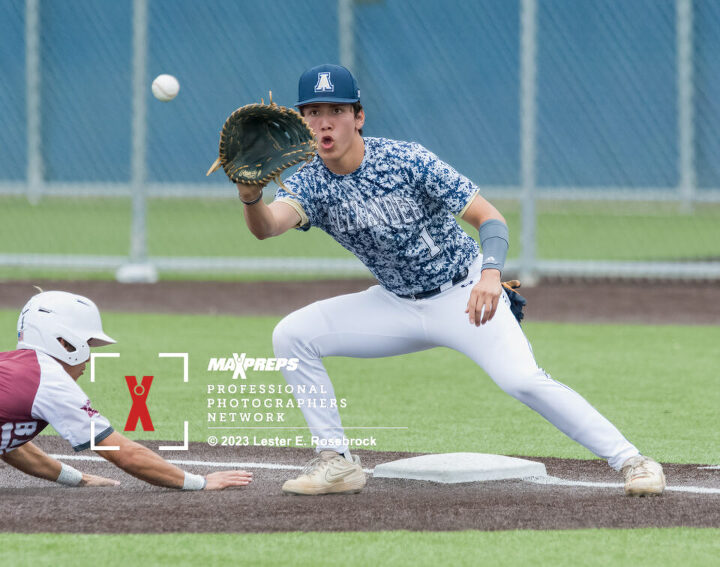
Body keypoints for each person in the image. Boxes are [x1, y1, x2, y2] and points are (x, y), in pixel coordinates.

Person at [233, 63, 665, 497]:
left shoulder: (407, 160)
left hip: (466, 294)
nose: (323, 121)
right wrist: (250, 195)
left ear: (358, 116)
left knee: (521, 379)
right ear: (300, 121)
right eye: (311, 112)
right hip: (396, 305)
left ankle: (633, 460)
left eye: (336, 109)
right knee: (292, 336)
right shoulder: (310, 182)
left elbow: (489, 218)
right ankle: (337, 462)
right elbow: (267, 226)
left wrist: (491, 274)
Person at [0, 290, 252, 491]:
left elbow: (10, 443)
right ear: (64, 343)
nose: (88, 359)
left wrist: (75, 478)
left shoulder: (4, 363)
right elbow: (121, 452)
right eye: (87, 345)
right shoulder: (49, 380)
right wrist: (199, 482)